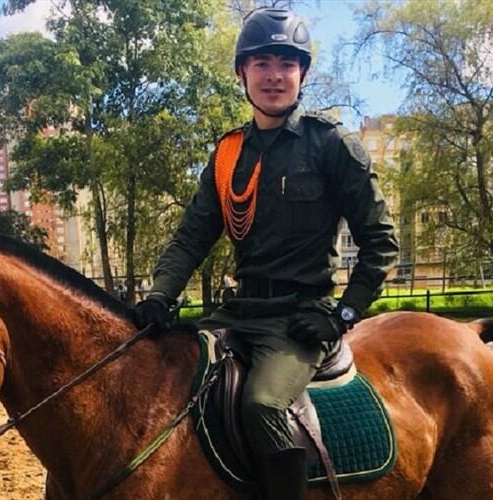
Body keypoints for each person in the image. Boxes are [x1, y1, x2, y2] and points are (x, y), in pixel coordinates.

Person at [132, 7, 398, 499]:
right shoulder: (229, 153)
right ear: (242, 73)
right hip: (239, 312)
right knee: (162, 379)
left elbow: (381, 241)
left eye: (286, 63)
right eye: (261, 63)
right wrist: (159, 296)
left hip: (299, 320)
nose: (274, 75)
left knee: (262, 404)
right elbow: (192, 236)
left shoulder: (330, 144)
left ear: (301, 73)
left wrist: (342, 313)